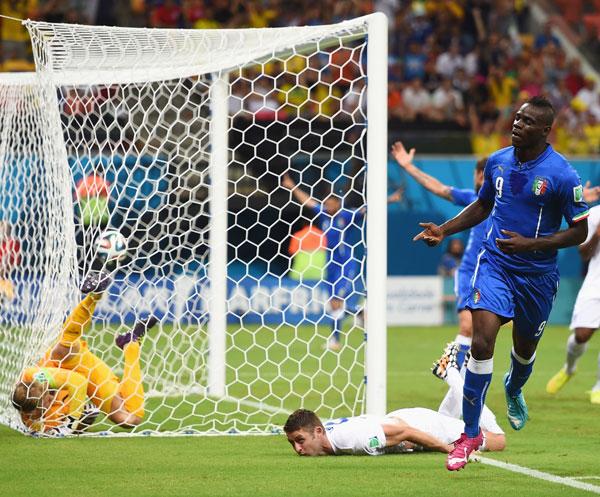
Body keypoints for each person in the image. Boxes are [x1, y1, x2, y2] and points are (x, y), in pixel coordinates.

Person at [414, 95, 589, 471]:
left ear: (545, 130)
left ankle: (514, 387)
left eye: (525, 122)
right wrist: (443, 230)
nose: (516, 125)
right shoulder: (497, 161)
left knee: (524, 351)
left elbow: (580, 232)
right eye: (516, 118)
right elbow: (482, 206)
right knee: (481, 341)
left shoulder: (561, 174)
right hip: (495, 265)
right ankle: (471, 433)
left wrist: (533, 244)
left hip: (538, 277)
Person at [284, 344, 505, 457]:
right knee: (446, 419)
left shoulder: (352, 439)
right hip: (408, 419)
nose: (297, 448)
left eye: (300, 440)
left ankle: (451, 374)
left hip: (418, 426)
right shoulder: (325, 431)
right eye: (294, 442)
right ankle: (462, 371)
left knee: (498, 440)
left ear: (318, 432)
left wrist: (448, 449)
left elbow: (405, 431)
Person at [11, 271, 158, 436]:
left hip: (72, 365)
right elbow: (59, 426)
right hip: (87, 383)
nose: (50, 400)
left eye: (47, 397)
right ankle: (130, 344)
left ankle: (95, 294)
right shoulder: (34, 418)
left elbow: (78, 382)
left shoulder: (36, 376)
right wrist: (81, 421)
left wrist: (71, 423)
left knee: (62, 350)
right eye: (45, 403)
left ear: (44, 389)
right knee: (131, 419)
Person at [391, 141, 487, 371]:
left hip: (494, 274)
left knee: (483, 339)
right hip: (469, 271)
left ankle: (454, 373)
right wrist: (408, 167)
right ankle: (449, 369)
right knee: (467, 327)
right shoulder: (475, 201)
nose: (478, 178)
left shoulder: (505, 203)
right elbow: (438, 188)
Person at [281, 174, 401, 351]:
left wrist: (390, 199)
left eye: (331, 204)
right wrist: (292, 187)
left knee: (337, 301)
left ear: (338, 204)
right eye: (326, 204)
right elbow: (308, 201)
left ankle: (336, 340)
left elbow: (368, 207)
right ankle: (356, 313)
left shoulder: (347, 215)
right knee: (333, 303)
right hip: (331, 263)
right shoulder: (323, 214)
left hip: (346, 263)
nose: (328, 207)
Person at [546, 203, 600, 404]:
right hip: (595, 284)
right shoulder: (595, 215)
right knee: (581, 335)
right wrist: (597, 234)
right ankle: (569, 369)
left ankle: (598, 387)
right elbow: (584, 253)